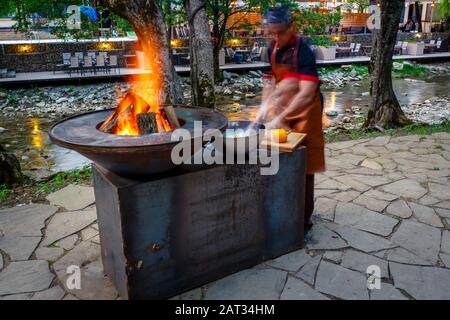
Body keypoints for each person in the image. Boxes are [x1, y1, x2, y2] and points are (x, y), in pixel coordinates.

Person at [256, 6, 326, 233]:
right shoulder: (272, 49)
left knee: (304, 166)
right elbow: (269, 83)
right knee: (280, 161)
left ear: (291, 28)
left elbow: (306, 91)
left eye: (280, 32)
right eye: (272, 33)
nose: (276, 37)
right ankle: (282, 212)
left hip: (307, 112)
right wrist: (263, 111)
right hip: (283, 110)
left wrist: (281, 117)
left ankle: (303, 219)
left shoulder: (305, 50)